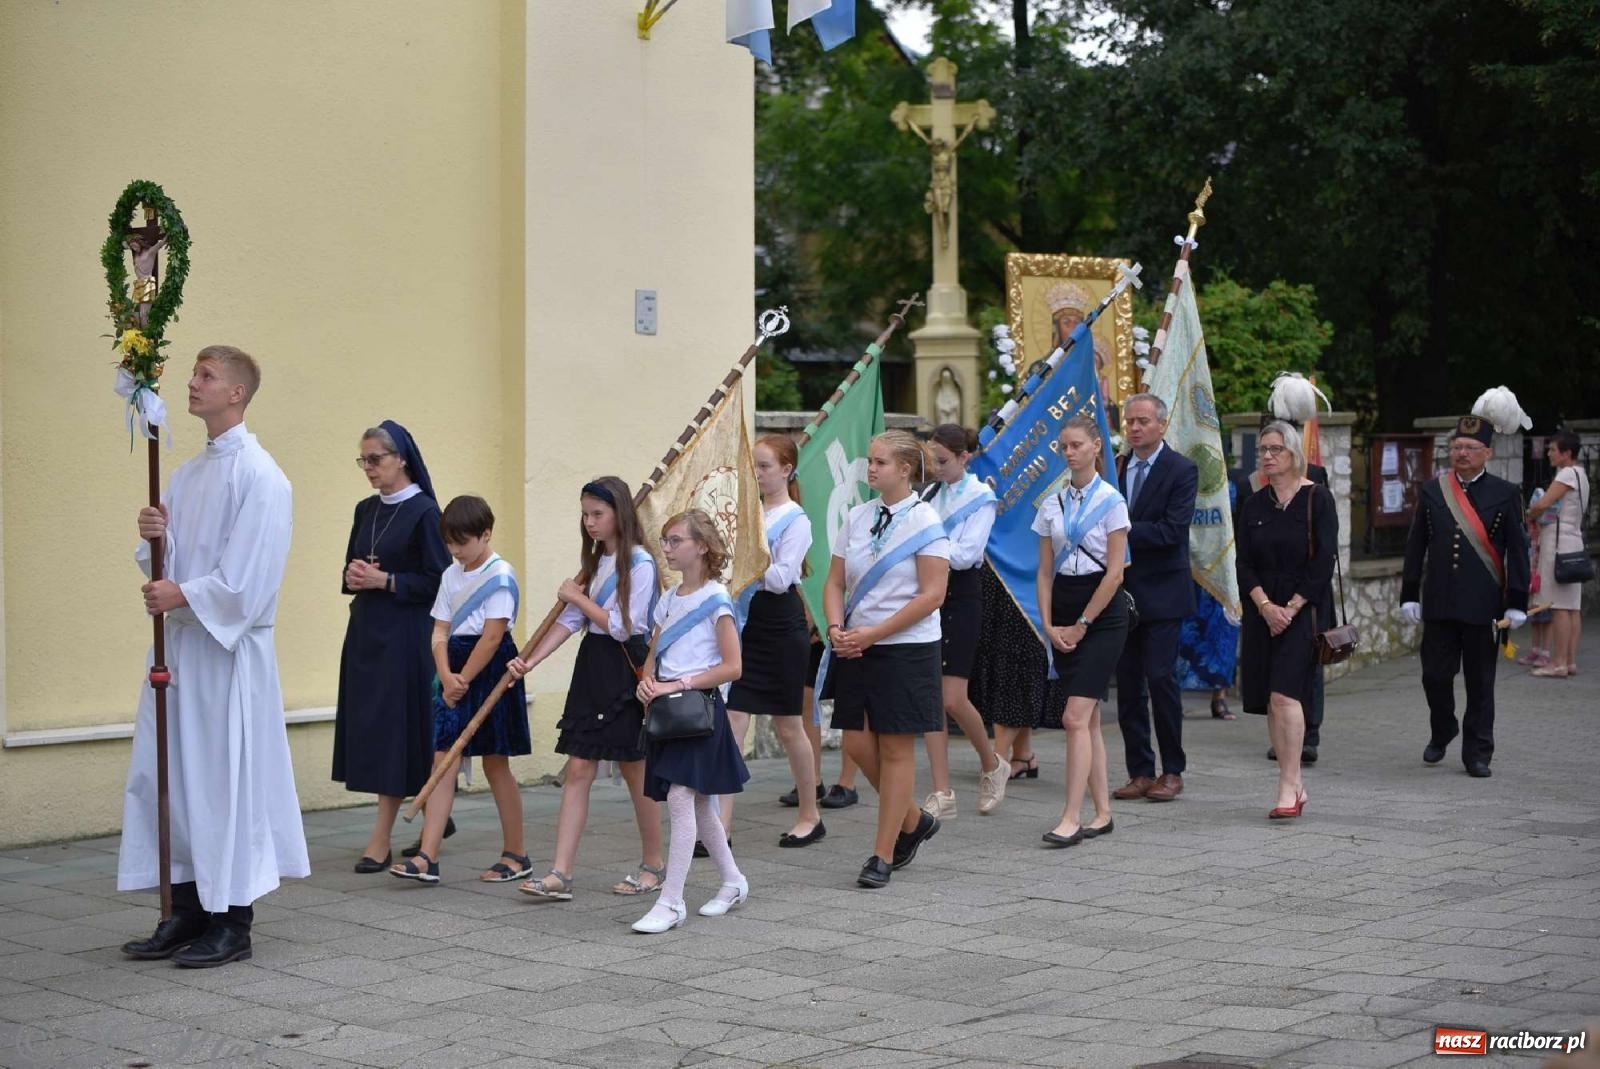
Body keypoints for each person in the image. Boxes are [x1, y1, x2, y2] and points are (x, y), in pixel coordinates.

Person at [119, 345, 309, 969]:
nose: (193, 385)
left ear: (237, 394)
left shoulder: (261, 476)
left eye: (206, 377)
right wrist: (158, 541)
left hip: (227, 658)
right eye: (194, 374)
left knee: (224, 784)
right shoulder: (187, 474)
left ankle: (234, 921)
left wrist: (184, 592)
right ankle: (187, 910)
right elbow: (172, 562)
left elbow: (248, 583)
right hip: (182, 650)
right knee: (175, 777)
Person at [506, 477, 664, 900]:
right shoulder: (594, 564)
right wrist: (532, 660)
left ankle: (653, 865)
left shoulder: (641, 563)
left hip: (625, 670)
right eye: (585, 514)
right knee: (578, 769)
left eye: (598, 514)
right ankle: (560, 874)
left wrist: (575, 597)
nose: (589, 522)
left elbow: (623, 626)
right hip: (592, 668)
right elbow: (572, 623)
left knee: (635, 770)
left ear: (620, 514)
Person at [821, 431, 950, 889]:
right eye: (869, 461)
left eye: (879, 462)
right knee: (856, 744)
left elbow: (933, 594)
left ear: (905, 469)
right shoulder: (857, 516)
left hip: (905, 648)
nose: (870, 469)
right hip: (855, 644)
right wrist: (836, 627)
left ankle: (883, 852)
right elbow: (834, 582)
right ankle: (914, 820)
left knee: (895, 748)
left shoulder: (926, 520)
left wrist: (872, 634)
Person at [391, 495, 531, 884]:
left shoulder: (501, 574)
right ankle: (427, 856)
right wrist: (446, 675)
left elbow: (491, 637)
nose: (455, 551)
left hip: (489, 671)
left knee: (495, 762)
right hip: (453, 668)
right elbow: (439, 630)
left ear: (486, 534)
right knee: (443, 760)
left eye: (462, 542)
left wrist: (463, 679)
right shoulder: (451, 574)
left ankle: (517, 853)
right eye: (449, 543)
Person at [334, 422, 451, 873]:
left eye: (376, 459)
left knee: (395, 733)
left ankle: (380, 838)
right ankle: (440, 815)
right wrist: (355, 575)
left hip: (407, 636)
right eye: (363, 460)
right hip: (368, 632)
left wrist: (387, 580)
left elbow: (441, 580)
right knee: (381, 728)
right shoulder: (365, 509)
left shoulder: (424, 512)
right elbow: (351, 566)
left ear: (401, 458)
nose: (368, 468)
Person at [631, 510, 748, 933]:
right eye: (664, 541)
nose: (667, 548)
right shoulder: (668, 598)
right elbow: (652, 656)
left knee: (682, 798)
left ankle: (671, 901)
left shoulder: (717, 600)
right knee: (698, 804)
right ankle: (733, 881)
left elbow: (733, 666)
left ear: (702, 546)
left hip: (700, 710)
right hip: (670, 711)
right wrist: (647, 684)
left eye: (675, 540)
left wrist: (675, 683)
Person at [1401, 413, 1530, 777]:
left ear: (1487, 452)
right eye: (1457, 447)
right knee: (1434, 677)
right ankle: (1443, 729)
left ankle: (1477, 752)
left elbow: (1518, 551)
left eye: (1470, 448)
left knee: (1480, 682)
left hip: (1482, 604)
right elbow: (1416, 546)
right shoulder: (1433, 490)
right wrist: (1409, 594)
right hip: (1439, 602)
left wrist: (1517, 601)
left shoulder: (1506, 494)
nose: (1462, 453)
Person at [722, 434, 823, 847]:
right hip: (745, 625)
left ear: (786, 470)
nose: (758, 474)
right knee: (731, 722)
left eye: (765, 466)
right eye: (755, 466)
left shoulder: (796, 519)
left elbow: (782, 579)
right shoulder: (749, 515)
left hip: (779, 628)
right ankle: (719, 826)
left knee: (788, 726)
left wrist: (749, 554)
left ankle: (810, 813)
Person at [1034, 415, 1131, 846]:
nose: (1069, 452)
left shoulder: (1112, 501)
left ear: (1096, 446)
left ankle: (1070, 817)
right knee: (1086, 719)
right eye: (1064, 447)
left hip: (1103, 613)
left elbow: (1115, 575)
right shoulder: (1050, 503)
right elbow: (1042, 571)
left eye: (1076, 445)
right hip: (1063, 608)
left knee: (1073, 716)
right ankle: (1103, 812)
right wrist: (1049, 624)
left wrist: (1081, 625)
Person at [1236, 422, 1336, 819]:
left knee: (1285, 694)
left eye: (1276, 449)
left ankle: (1288, 785)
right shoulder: (1253, 503)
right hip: (1262, 610)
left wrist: (1290, 609)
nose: (1267, 455)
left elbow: (1323, 561)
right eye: (1263, 449)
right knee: (1269, 702)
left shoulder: (1318, 499)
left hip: (1304, 610)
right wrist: (1264, 606)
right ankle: (1291, 779)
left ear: (1294, 454)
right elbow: (1243, 563)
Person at [1112, 393, 1199, 803]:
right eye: (1130, 421)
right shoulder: (1115, 467)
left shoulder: (1181, 469)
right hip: (1121, 594)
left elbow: (1172, 531)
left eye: (1143, 421)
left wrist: (1122, 530)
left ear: (1162, 425)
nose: (1134, 428)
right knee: (1128, 685)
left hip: (1163, 593)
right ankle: (1140, 770)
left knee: (1161, 679)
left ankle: (1173, 769)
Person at [919, 423, 1009, 819]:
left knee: (953, 696)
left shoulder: (981, 497)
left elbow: (966, 554)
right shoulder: (928, 494)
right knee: (930, 698)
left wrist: (924, 548)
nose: (935, 468)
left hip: (961, 596)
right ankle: (942, 791)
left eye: (942, 461)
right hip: (927, 595)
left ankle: (992, 762)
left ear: (963, 457)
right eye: (931, 460)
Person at [1526, 430, 1589, 678]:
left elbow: (1543, 504)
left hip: (1558, 542)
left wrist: (1528, 515)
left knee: (1560, 606)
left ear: (1566, 453)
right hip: (1574, 540)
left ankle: (1559, 663)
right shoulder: (1582, 474)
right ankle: (1569, 661)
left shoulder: (1565, 474)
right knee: (1572, 607)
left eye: (1553, 449)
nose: (1549, 453)